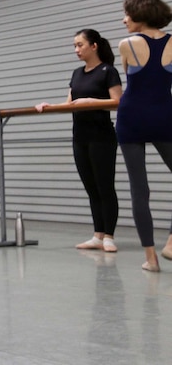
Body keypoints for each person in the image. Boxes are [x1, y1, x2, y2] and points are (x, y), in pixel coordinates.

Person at [36, 29, 122, 252]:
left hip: (102, 137)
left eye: (80, 45)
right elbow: (69, 104)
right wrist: (48, 106)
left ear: (94, 46)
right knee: (91, 188)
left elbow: (118, 102)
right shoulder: (76, 73)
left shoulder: (108, 71)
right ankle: (97, 234)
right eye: (74, 46)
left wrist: (91, 100)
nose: (76, 50)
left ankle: (109, 236)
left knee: (105, 187)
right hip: (80, 137)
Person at [114, 0, 172, 272]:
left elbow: (130, 76)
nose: (124, 19)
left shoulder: (126, 44)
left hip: (131, 118)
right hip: (164, 116)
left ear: (139, 15)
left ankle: (151, 259)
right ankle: (171, 240)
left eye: (127, 14)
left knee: (140, 189)